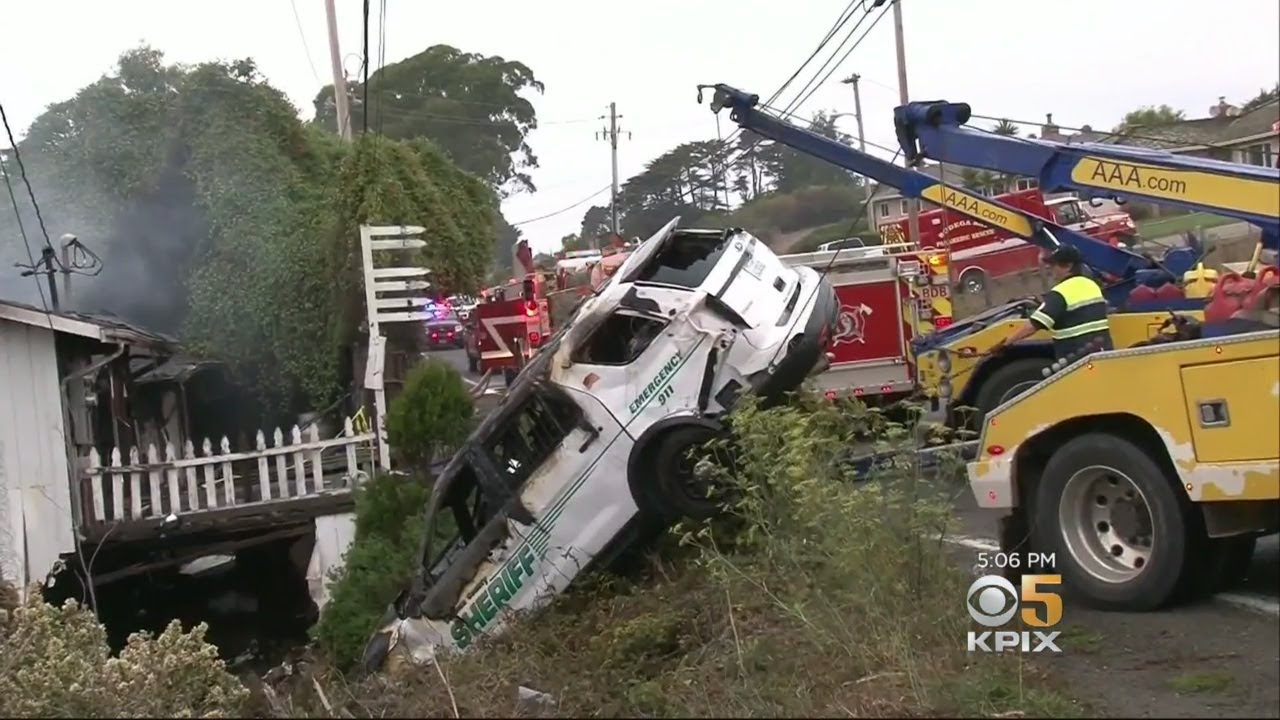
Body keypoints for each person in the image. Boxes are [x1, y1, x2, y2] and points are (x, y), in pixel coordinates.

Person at [990, 245, 1112, 360]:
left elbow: (1033, 326)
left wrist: (1005, 344)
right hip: (1101, 355)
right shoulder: (1091, 285)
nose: (1049, 267)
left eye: (1054, 264)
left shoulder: (1061, 292)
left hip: (1077, 360)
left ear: (1068, 266)